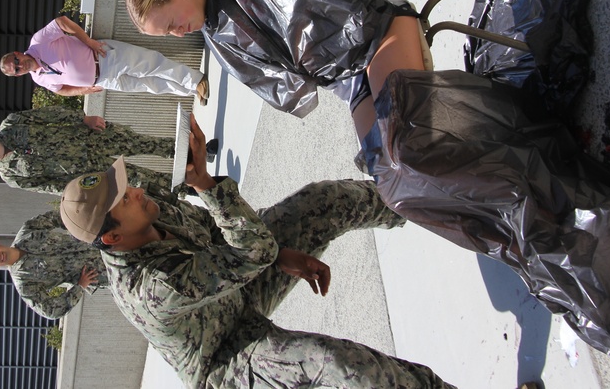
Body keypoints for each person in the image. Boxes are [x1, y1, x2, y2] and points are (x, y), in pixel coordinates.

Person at [123, 0, 610, 353]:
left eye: (168, 27)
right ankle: (520, 232)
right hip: (354, 75)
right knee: (394, 188)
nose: (177, 36)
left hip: (377, 33)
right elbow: (296, 83)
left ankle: (546, 197)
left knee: (410, 148)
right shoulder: (218, 37)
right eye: (166, 37)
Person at [57, 119, 455, 389]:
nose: (138, 192)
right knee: (334, 365)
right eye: (126, 199)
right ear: (112, 239)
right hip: (227, 357)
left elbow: (217, 230)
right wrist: (207, 186)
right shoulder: (152, 289)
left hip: (236, 284)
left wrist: (281, 254)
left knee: (322, 201)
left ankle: (436, 199)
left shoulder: (151, 210)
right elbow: (252, 251)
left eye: (127, 186)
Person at [0, 106, 176, 194]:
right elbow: (50, 187)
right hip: (88, 169)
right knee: (137, 179)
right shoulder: (10, 176)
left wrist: (83, 119)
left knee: (142, 142)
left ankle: (189, 151)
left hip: (89, 137)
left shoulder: (11, 124)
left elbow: (49, 115)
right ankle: (184, 188)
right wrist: (82, 187)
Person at [1, 15, 209, 102]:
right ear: (18, 75)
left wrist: (88, 41)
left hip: (103, 56)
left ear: (18, 53)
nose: (19, 66)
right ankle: (190, 91)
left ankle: (196, 80)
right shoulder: (38, 78)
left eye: (16, 61)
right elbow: (61, 90)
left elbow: (62, 22)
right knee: (150, 85)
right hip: (104, 81)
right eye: (16, 70)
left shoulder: (38, 42)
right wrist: (83, 90)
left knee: (152, 65)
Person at [0, 209, 103, 319]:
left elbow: (55, 217)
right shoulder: (24, 282)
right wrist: (79, 287)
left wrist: (82, 224)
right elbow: (49, 310)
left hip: (98, 240)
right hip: (102, 271)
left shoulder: (27, 232)